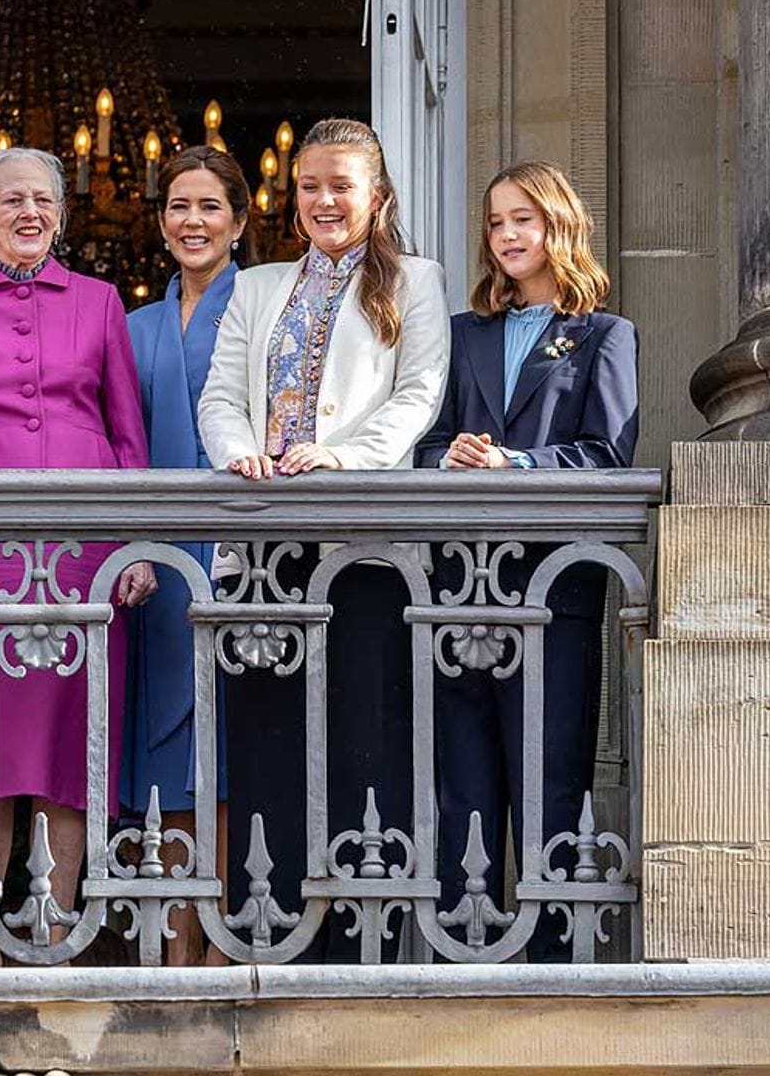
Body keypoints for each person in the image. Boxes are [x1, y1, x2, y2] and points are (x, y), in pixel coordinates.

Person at [196, 117, 449, 959]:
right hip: (266, 541)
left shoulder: (416, 280)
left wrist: (340, 458)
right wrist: (242, 456)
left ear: (377, 195)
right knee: (268, 740)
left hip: (363, 545)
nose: (324, 200)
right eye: (310, 186)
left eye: (341, 185)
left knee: (360, 737)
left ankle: (358, 940)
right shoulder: (257, 284)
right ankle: (267, 932)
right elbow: (220, 394)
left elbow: (418, 399)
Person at [0, 146, 156, 967]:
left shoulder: (101, 302)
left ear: (61, 213)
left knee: (74, 745)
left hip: (86, 547)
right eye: (10, 200)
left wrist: (137, 546)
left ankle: (57, 930)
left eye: (43, 200)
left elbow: (127, 437)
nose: (29, 213)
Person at [415, 160, 637, 960]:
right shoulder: (461, 331)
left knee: (550, 776)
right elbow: (430, 438)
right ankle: (456, 950)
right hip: (457, 586)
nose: (507, 236)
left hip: (553, 588)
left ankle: (548, 957)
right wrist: (450, 457)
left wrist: (515, 464)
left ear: (558, 227)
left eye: (524, 220)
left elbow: (609, 454)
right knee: (462, 782)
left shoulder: (606, 335)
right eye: (496, 222)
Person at [121, 145, 249, 965]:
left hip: (238, 552)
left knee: (231, 751)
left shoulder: (264, 307)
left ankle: (227, 942)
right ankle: (175, 947)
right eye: (178, 206)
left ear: (240, 221)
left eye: (209, 207)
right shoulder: (128, 323)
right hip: (150, 564)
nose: (192, 222)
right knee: (166, 754)